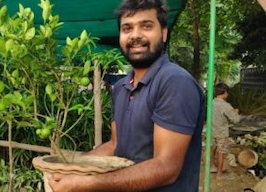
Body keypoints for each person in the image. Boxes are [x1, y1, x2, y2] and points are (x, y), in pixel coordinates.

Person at [49, 0, 205, 191]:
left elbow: (167, 167)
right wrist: (76, 167)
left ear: (163, 33)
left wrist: (90, 183)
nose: (136, 35)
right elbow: (116, 144)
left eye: (146, 26)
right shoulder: (121, 87)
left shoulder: (174, 82)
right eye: (127, 28)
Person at [211, 83, 240, 179]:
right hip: (221, 133)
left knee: (213, 148)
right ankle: (219, 175)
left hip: (212, 130)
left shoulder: (212, 102)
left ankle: (212, 166)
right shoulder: (225, 105)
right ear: (224, 92)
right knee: (221, 152)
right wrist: (235, 112)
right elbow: (235, 120)